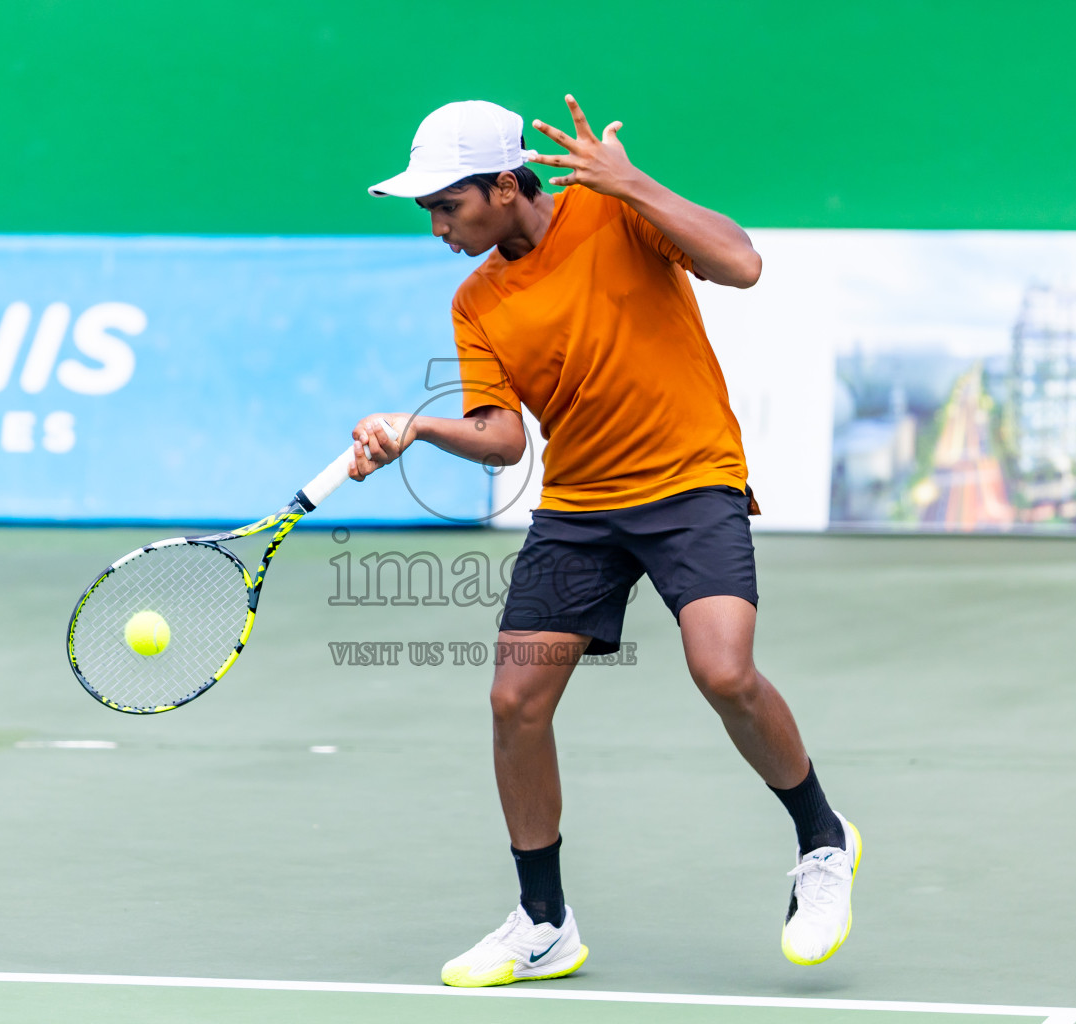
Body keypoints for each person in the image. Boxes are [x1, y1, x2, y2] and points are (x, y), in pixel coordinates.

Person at [351, 97, 859, 986]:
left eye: (447, 206)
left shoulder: (616, 211)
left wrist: (633, 182)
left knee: (724, 671)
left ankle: (822, 840)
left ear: (505, 186)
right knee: (516, 702)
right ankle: (543, 920)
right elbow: (504, 437)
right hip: (582, 508)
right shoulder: (477, 302)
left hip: (691, 478)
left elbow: (741, 265)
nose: (436, 226)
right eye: (427, 211)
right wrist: (417, 429)